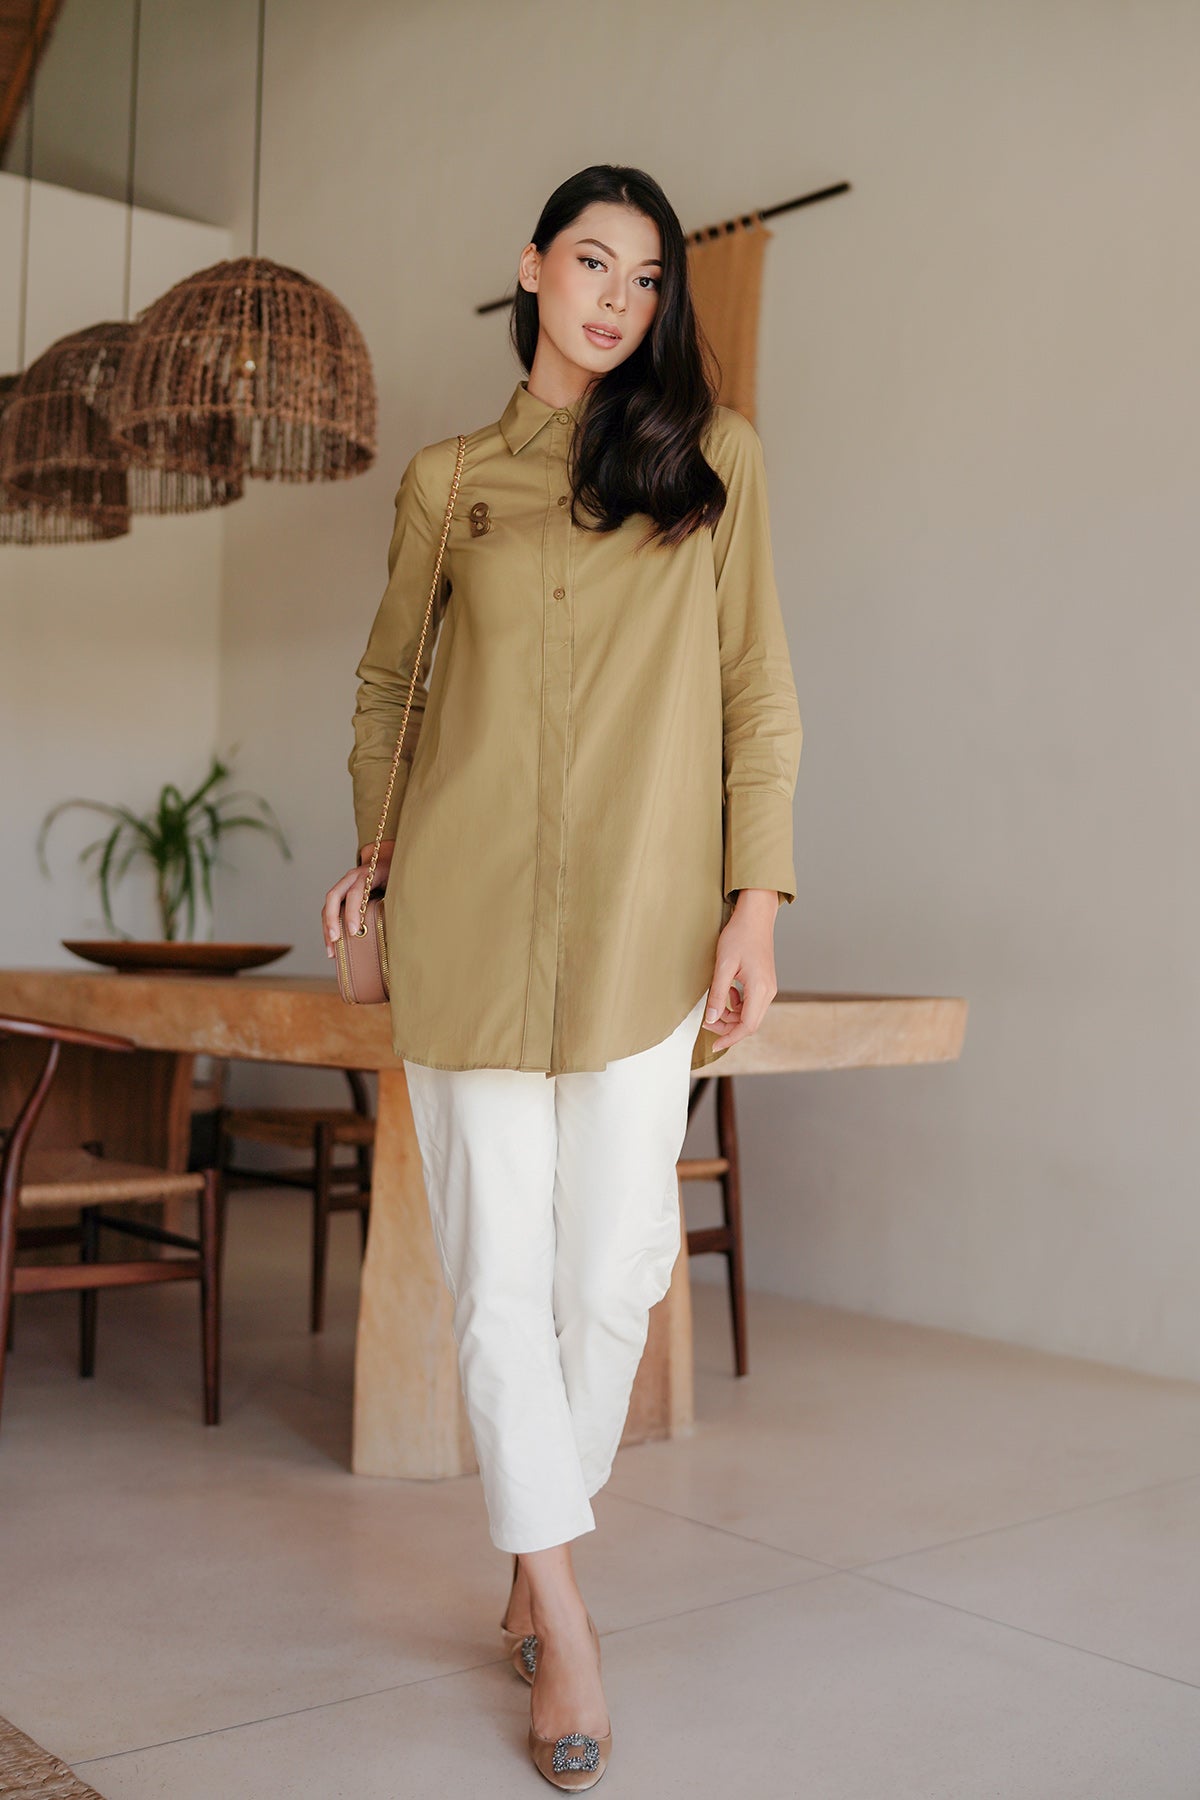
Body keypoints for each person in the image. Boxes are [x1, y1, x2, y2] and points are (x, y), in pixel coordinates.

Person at [322, 162, 801, 1792]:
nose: (617, 299)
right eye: (592, 263)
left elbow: (757, 692)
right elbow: (389, 683)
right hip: (466, 921)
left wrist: (755, 904)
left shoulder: (713, 462)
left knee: (609, 1275)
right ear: (532, 269)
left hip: (647, 931)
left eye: (646, 278)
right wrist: (376, 847)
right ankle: (565, 1612)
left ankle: (532, 1554)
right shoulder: (449, 482)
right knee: (497, 1286)